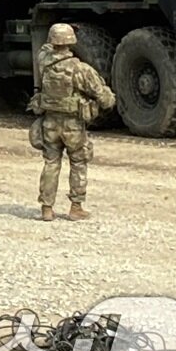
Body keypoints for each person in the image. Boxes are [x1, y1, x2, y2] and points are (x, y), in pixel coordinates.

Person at [29, 23, 116, 221]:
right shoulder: (80, 69)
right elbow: (104, 98)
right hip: (73, 126)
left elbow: (44, 49)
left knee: (51, 163)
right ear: (72, 42)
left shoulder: (44, 63)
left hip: (49, 123)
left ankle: (47, 208)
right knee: (78, 162)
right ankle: (76, 207)